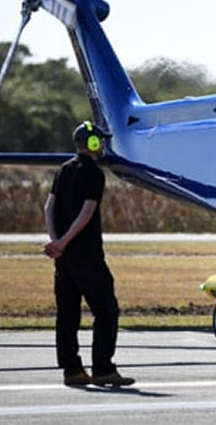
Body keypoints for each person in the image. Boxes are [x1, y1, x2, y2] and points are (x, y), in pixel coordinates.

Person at [43, 121, 134, 388]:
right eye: (100, 141)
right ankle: (103, 368)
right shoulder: (94, 173)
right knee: (106, 310)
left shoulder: (64, 170)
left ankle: (72, 370)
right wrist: (67, 240)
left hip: (64, 258)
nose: (103, 144)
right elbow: (87, 213)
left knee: (68, 314)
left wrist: (56, 242)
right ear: (93, 144)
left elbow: (48, 207)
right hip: (87, 256)